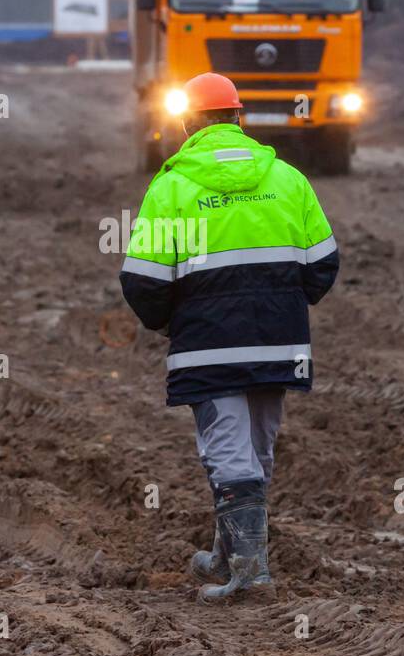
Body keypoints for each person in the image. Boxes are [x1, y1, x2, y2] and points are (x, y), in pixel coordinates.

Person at [119, 72, 340, 602]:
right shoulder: (287, 179)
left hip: (209, 347)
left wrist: (170, 323)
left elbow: (143, 281)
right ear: (239, 119)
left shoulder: (173, 186)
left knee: (227, 454)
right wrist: (279, 305)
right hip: (278, 344)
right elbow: (323, 264)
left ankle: (250, 575)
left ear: (188, 125)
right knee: (256, 452)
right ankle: (228, 553)